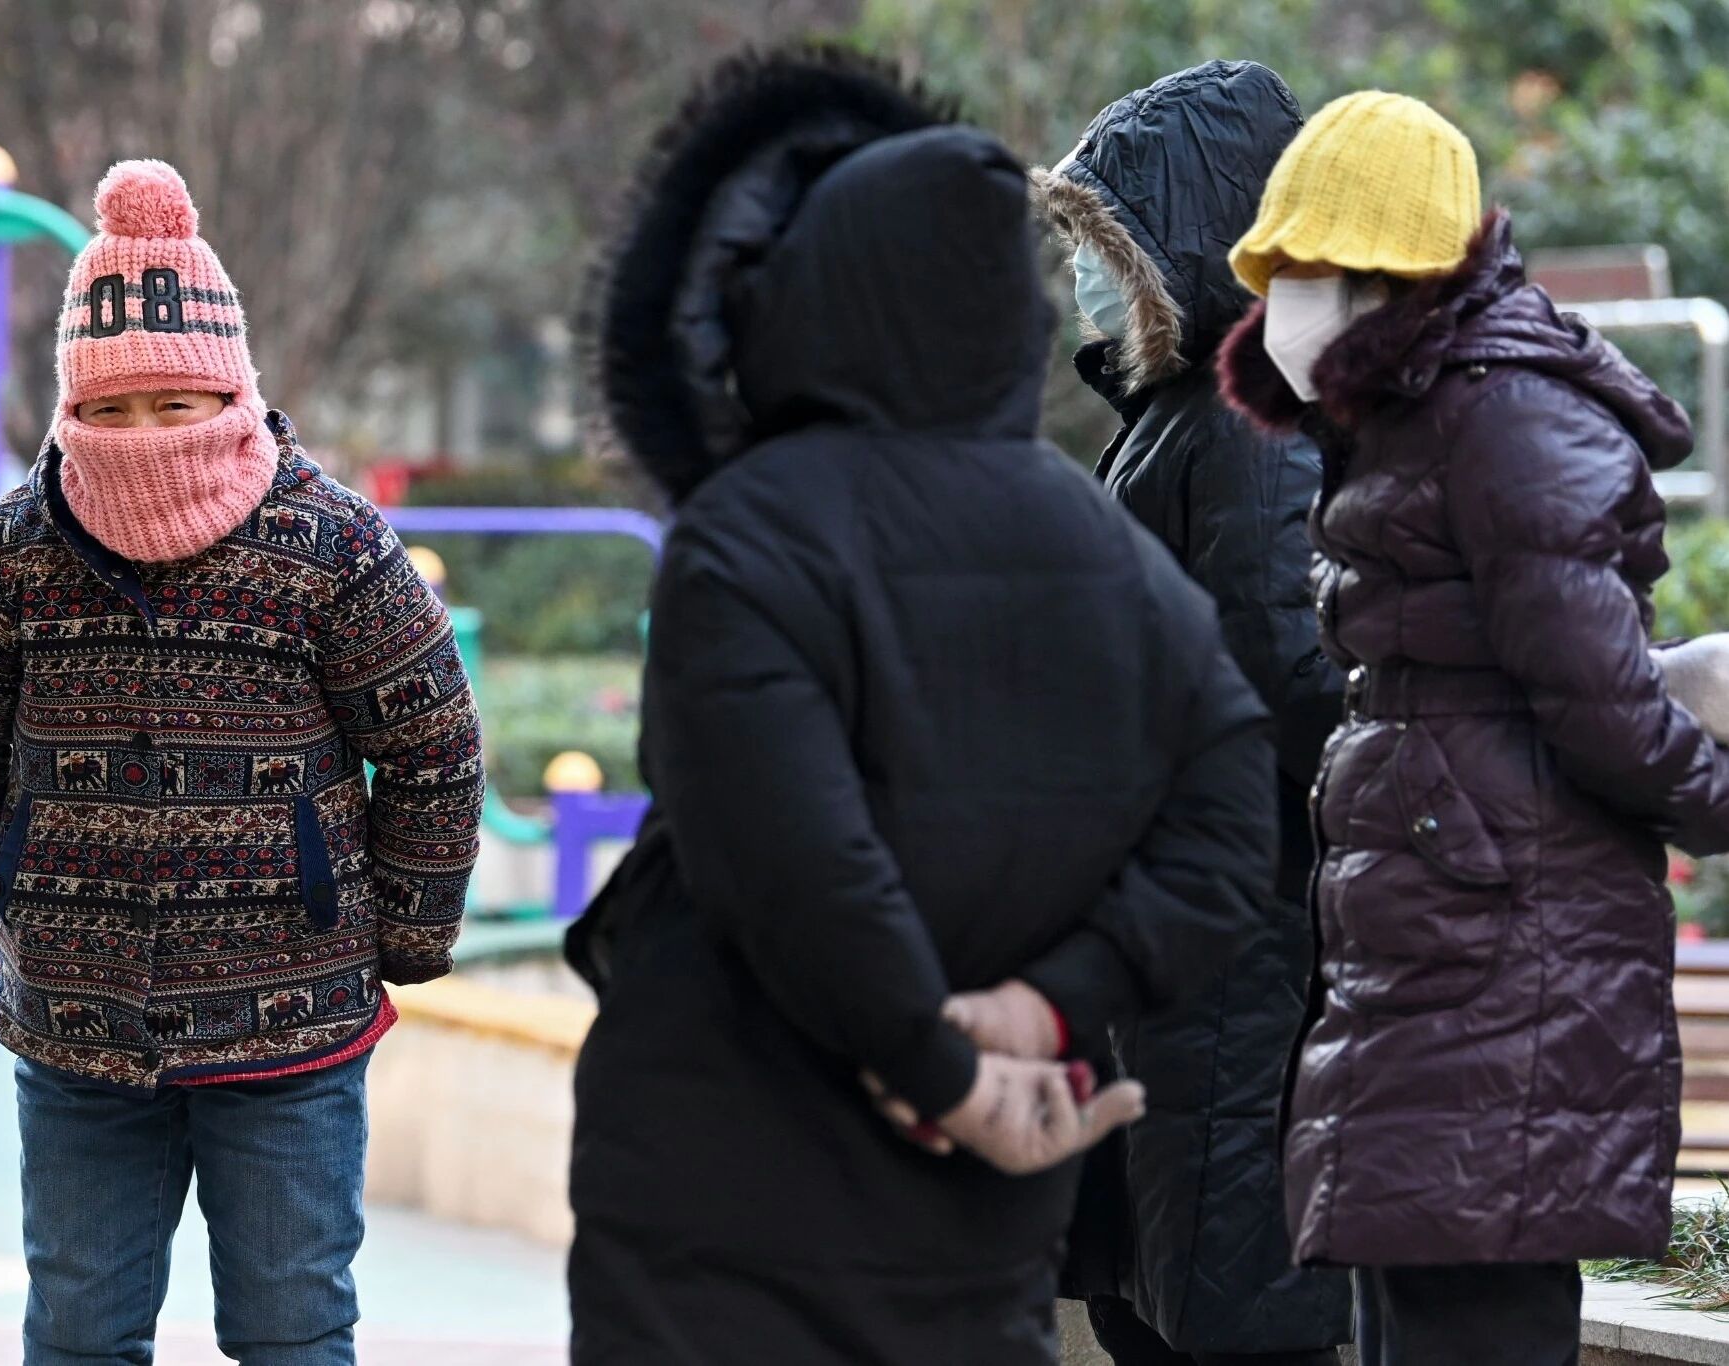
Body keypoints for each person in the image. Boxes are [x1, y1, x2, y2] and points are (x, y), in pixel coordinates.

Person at [566, 47, 1278, 1366]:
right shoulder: (1098, 536)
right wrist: (1045, 1008)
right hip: (985, 1200)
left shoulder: (746, 535)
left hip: (726, 1173)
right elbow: (1233, 818)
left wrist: (933, 1062)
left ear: (811, 295)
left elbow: (796, 854)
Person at [0, 160, 484, 1366]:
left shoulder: (330, 542)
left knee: (290, 1327)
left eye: (174, 403)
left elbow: (433, 743)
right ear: (71, 404)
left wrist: (405, 932)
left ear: (230, 385)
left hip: (292, 1020)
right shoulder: (21, 547)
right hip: (77, 1018)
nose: (143, 436)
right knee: (78, 1328)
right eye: (109, 408)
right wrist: (10, 871)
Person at [1216, 90, 1729, 1366]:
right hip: (1448, 950)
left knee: (1473, 1306)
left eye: (1317, 269)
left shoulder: (1503, 415)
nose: (1287, 302)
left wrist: (1716, 798)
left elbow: (1598, 696)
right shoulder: (1408, 419)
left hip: (1505, 950)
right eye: (1280, 272)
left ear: (1396, 272)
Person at [1028, 60, 1350, 1366]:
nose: (1085, 278)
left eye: (1107, 249)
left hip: (1236, 963)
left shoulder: (1245, 427)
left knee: (1225, 1302)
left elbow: (1293, 677)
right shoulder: (1180, 417)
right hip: (1179, 954)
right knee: (1162, 1293)